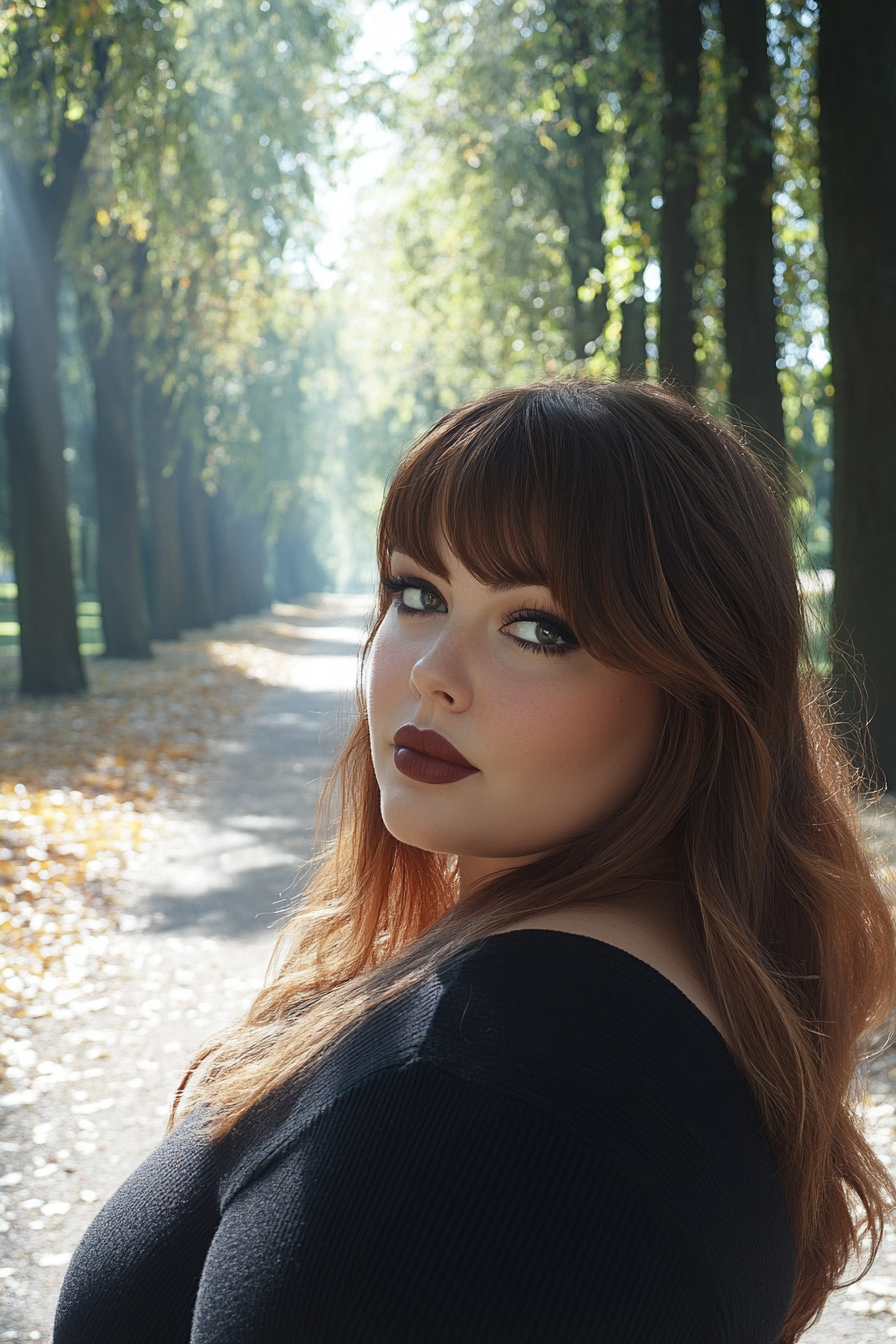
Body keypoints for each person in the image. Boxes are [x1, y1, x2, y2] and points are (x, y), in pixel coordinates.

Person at [55, 379, 896, 1344]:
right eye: (418, 594)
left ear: (694, 691)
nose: (431, 673)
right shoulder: (662, 993)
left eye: (537, 628)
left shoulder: (472, 1104)